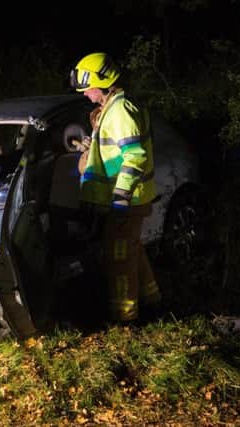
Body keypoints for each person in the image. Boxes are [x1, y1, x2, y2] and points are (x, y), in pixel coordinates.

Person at [69, 52, 161, 323]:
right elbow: (116, 153)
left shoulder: (119, 112)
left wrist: (120, 200)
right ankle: (152, 301)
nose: (85, 94)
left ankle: (125, 318)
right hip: (130, 200)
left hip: (125, 202)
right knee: (133, 250)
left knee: (119, 260)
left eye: (87, 89)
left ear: (102, 82)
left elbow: (136, 156)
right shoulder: (115, 108)